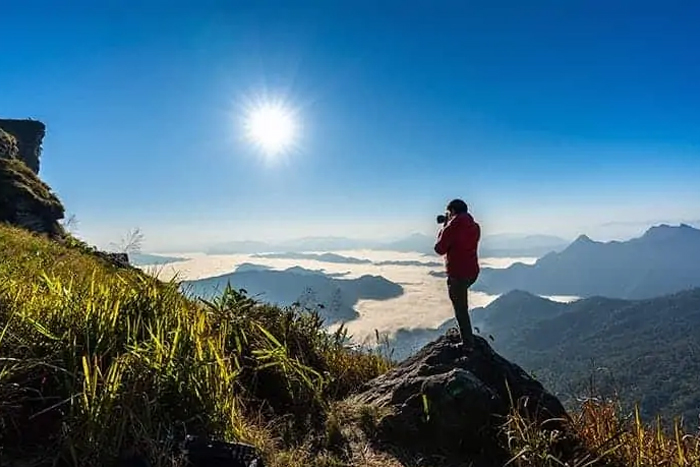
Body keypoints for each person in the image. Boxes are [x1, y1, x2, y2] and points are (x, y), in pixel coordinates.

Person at [434, 199, 481, 349]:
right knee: (462, 305)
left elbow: (439, 248)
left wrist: (445, 226)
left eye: (448, 213)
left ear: (453, 211)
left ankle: (468, 344)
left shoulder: (452, 227)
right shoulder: (475, 226)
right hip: (472, 272)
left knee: (460, 309)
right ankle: (467, 339)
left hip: (458, 274)